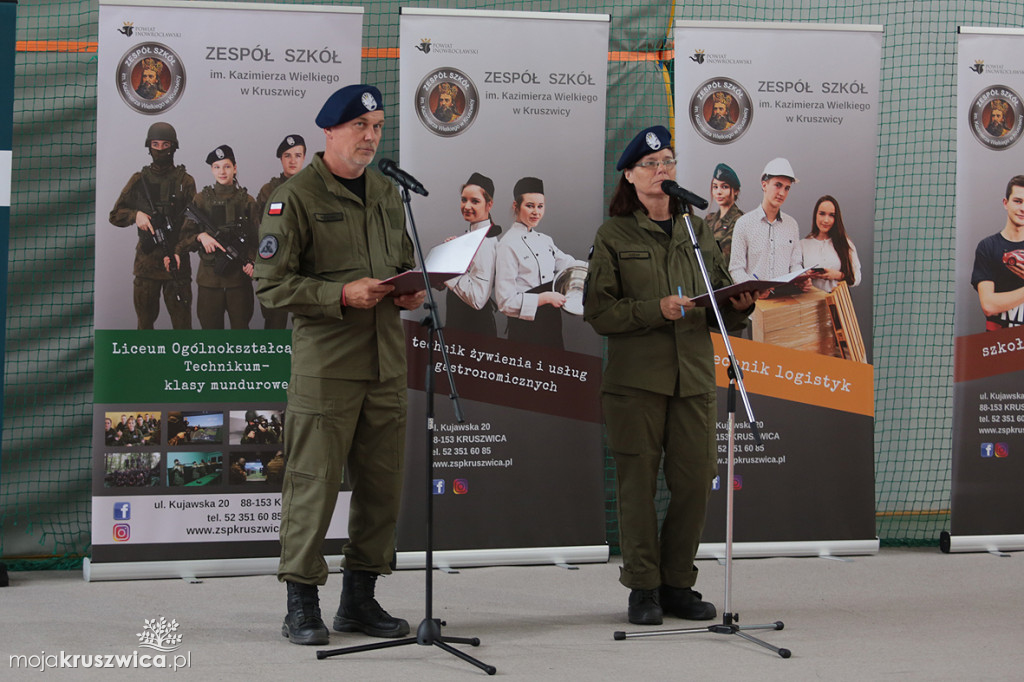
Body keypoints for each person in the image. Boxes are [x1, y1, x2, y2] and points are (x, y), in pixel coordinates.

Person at [254, 83, 426, 646]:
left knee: (381, 488)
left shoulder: (386, 192)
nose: (370, 138)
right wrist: (340, 295)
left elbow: (399, 262)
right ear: (329, 131)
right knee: (313, 486)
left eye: (377, 128)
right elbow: (271, 287)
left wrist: (409, 290)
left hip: (386, 364)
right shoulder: (294, 197)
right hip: (327, 367)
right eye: (360, 127)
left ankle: (359, 600)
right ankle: (301, 603)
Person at [583, 125, 754, 626]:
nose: (663, 171)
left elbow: (720, 303)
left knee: (697, 480)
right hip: (636, 384)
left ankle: (678, 582)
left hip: (694, 379)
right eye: (652, 164)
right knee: (637, 485)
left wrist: (742, 305)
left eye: (669, 162)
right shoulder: (613, 235)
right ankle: (643, 587)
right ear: (630, 176)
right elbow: (599, 312)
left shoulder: (698, 232)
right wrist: (654, 309)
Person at [109, 121, 195, 329]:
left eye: (165, 145)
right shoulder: (139, 180)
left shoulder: (185, 181)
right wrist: (135, 215)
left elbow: (193, 224)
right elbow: (115, 215)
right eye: (155, 144)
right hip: (146, 265)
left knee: (183, 328)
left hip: (176, 263)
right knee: (144, 326)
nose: (160, 149)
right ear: (149, 147)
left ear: (173, 147)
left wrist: (179, 250)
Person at [494, 176, 585, 348]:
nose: (536, 212)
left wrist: (600, 269)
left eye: (540, 206)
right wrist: (545, 298)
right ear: (516, 206)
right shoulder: (507, 245)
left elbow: (569, 265)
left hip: (551, 322)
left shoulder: (545, 240)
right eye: (530, 206)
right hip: (525, 328)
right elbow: (505, 302)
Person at [176, 144, 259, 329]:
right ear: (212, 170)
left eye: (227, 166)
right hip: (209, 281)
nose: (222, 171)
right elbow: (183, 239)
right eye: (217, 167)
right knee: (211, 336)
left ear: (235, 168)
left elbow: (257, 240)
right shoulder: (200, 200)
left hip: (239, 281)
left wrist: (253, 261)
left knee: (241, 335)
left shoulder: (247, 201)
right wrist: (200, 237)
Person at [729, 157, 812, 295]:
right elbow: (736, 269)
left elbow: (795, 264)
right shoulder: (743, 224)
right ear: (764, 185)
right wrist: (754, 289)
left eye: (787, 188)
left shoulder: (792, 225)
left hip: (785, 300)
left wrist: (802, 278)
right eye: (778, 185)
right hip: (755, 303)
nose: (782, 193)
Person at [444, 172, 501, 336]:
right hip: (463, 327)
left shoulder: (485, 242)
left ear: (489, 205)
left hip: (473, 332)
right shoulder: (474, 235)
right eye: (464, 200)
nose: (467, 206)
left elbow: (478, 299)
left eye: (475, 201)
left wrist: (447, 266)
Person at [971, 174, 1024, 330]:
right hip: (999, 342)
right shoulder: (987, 247)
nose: (1023, 208)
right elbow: (989, 306)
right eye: (1018, 201)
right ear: (1005, 203)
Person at [800, 195, 862, 293]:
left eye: (831, 215)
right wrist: (805, 276)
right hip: (811, 300)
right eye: (822, 214)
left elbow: (857, 278)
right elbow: (795, 275)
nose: (826, 220)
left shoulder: (845, 243)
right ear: (815, 215)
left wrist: (838, 275)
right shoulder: (803, 245)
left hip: (837, 300)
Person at [705, 162, 743, 264]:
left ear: (736, 191)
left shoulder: (741, 220)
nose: (718, 192)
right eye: (715, 187)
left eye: (724, 187)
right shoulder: (709, 219)